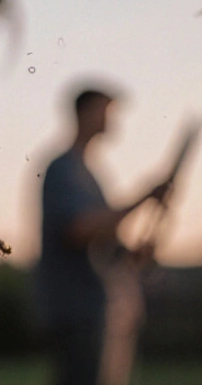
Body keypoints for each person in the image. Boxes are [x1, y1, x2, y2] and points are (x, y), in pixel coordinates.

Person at [35, 87, 172, 385]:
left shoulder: (89, 173)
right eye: (105, 111)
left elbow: (103, 244)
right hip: (78, 311)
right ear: (84, 114)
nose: (111, 120)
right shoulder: (63, 169)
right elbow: (79, 230)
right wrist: (144, 197)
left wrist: (133, 255)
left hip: (103, 311)